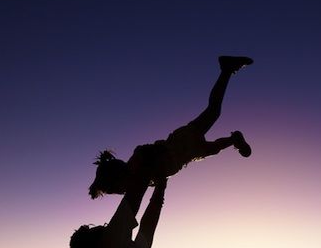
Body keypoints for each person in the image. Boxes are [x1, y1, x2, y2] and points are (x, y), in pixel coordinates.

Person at [88, 55, 253, 198]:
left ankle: (226, 69)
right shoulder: (139, 177)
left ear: (118, 177)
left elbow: (144, 150)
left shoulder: (137, 164)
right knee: (213, 147)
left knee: (213, 112)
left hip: (182, 142)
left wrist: (158, 162)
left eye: (118, 189)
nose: (122, 191)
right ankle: (234, 139)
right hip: (185, 154)